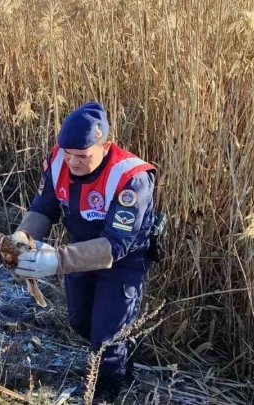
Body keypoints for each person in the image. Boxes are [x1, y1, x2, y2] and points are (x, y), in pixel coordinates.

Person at [9, 101, 156, 403]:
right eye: (69, 154)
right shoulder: (58, 161)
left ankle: (106, 392)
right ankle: (122, 345)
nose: (73, 162)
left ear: (106, 146)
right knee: (79, 321)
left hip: (123, 262)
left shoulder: (132, 179)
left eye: (83, 156)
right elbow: (44, 207)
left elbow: (117, 245)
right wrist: (21, 237)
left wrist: (56, 260)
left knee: (105, 341)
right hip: (79, 251)